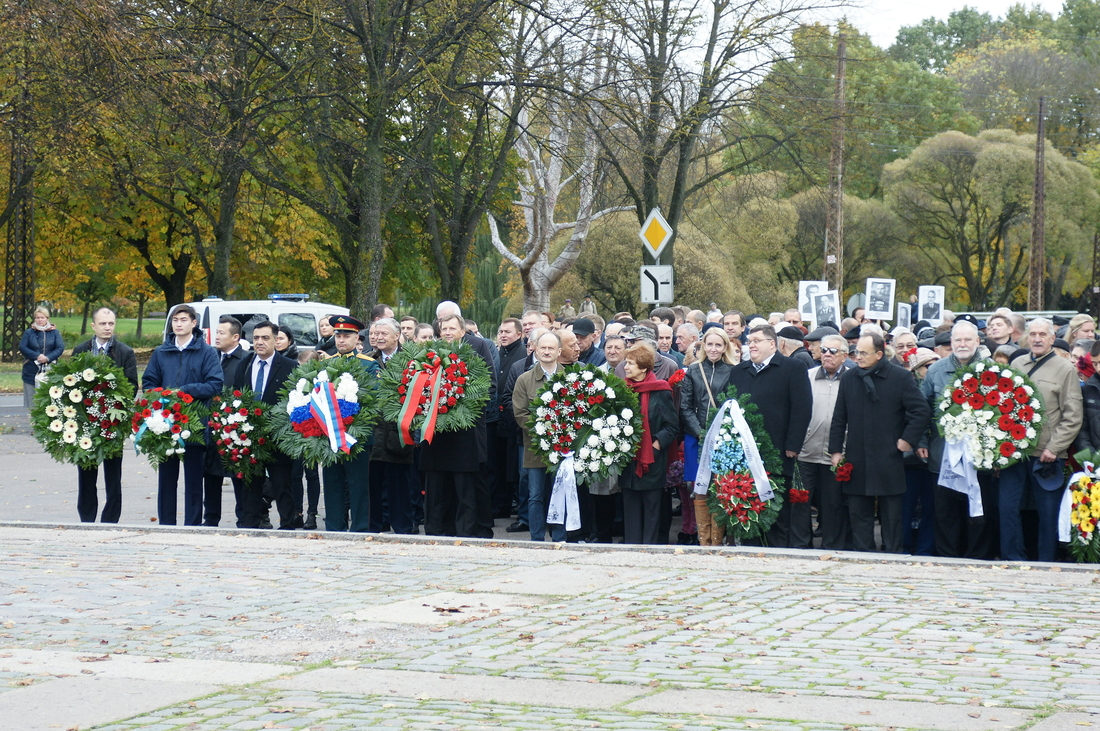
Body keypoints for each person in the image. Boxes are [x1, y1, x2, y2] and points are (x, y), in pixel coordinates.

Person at [829, 332, 930, 553]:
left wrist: (908, 440)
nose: (858, 357)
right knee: (858, 510)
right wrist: (836, 450)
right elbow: (839, 416)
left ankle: (893, 553)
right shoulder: (849, 378)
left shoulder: (900, 377)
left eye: (864, 353)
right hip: (857, 454)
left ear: (879, 354)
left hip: (888, 454)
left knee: (892, 513)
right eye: (856, 353)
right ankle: (863, 553)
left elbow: (921, 411)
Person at [1002, 318, 1082, 561]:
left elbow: (1073, 415)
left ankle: (1046, 561)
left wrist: (1055, 448)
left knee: (1047, 513)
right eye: (1033, 334)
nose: (1037, 339)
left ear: (1051, 338)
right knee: (1007, 508)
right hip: (1014, 452)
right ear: (1027, 337)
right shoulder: (1017, 364)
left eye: (1042, 335)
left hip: (1045, 455)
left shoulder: (1065, 368)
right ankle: (1012, 558)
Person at [728, 325, 813, 547]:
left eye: (757, 340)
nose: (751, 344)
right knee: (748, 513)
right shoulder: (739, 371)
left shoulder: (792, 368)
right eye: (750, 340)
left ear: (772, 344)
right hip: (744, 457)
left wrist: (793, 444)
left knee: (776, 516)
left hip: (777, 454)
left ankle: (779, 558)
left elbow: (802, 409)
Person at [918, 321, 996, 559]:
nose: (962, 344)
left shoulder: (993, 370)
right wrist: (920, 441)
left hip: (980, 458)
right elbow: (921, 409)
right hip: (943, 457)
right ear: (950, 343)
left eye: (967, 340)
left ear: (978, 342)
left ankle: (977, 557)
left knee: (978, 511)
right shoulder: (936, 371)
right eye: (958, 340)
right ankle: (947, 557)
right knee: (945, 512)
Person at [141, 304, 224, 526]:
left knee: (194, 482)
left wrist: (185, 391)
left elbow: (215, 384)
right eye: (175, 320)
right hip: (166, 426)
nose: (178, 324)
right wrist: (162, 396)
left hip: (195, 425)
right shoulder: (161, 352)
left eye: (183, 320)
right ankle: (166, 524)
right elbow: (148, 383)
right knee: (166, 480)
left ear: (194, 323)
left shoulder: (206, 352)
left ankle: (193, 524)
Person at [419, 312, 496, 538]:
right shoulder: (430, 353)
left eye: (452, 329)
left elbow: (489, 385)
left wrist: (459, 406)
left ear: (463, 331)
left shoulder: (478, 347)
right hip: (437, 431)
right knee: (437, 484)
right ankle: (437, 529)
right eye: (444, 329)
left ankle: (467, 530)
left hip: (466, 432)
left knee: (465, 486)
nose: (448, 333)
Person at [71, 307, 138, 524]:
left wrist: (109, 402)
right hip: (86, 422)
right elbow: (70, 383)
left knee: (113, 475)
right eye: (103, 324)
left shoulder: (124, 352)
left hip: (113, 422)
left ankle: (110, 519)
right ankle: (87, 518)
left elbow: (132, 386)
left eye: (111, 324)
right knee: (86, 472)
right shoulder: (81, 350)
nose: (107, 327)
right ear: (93, 325)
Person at [231, 321, 299, 529]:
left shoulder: (289, 366)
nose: (259, 342)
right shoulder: (245, 365)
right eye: (256, 338)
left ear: (276, 340)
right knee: (250, 487)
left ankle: (287, 527)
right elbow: (236, 397)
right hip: (250, 439)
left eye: (265, 338)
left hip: (278, 438)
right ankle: (250, 526)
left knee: (282, 487)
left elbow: (296, 401)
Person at [319, 315, 379, 531]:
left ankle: (361, 527)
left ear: (357, 339)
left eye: (346, 336)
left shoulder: (368, 365)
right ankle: (334, 526)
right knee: (333, 483)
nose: (341, 340)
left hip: (358, 434)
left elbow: (373, 398)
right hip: (329, 434)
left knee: (358, 485)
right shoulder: (326, 364)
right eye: (338, 336)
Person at [681, 328, 738, 546]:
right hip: (696, 437)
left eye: (718, 345)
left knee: (721, 486)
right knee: (699, 487)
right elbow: (685, 407)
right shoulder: (693, 371)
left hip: (724, 438)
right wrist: (700, 433)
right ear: (703, 346)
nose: (713, 349)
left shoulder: (734, 370)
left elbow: (735, 404)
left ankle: (718, 539)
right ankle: (704, 540)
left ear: (725, 347)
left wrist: (719, 434)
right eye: (709, 344)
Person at [512, 331, 569, 542]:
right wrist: (545, 433)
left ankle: (560, 537)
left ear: (559, 352)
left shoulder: (571, 379)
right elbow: (520, 414)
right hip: (535, 448)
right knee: (535, 495)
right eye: (542, 347)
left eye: (551, 348)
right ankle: (537, 539)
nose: (546, 351)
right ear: (535, 349)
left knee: (560, 493)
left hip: (564, 449)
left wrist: (561, 435)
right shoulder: (524, 379)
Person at [797, 333, 851, 550]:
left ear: (845, 356)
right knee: (800, 501)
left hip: (837, 454)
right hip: (806, 450)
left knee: (833, 504)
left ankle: (832, 546)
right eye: (824, 350)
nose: (827, 354)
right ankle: (800, 546)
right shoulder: (807, 376)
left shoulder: (852, 378)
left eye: (833, 351)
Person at [620, 343, 678, 544]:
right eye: (626, 362)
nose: (625, 367)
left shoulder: (660, 391)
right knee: (630, 508)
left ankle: (650, 548)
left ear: (643, 368)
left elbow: (672, 426)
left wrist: (656, 444)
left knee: (652, 508)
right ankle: (632, 546)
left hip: (652, 460)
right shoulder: (623, 390)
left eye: (630, 363)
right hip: (628, 460)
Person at [367, 318, 416, 534]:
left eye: (383, 333)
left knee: (400, 484)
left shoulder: (411, 360)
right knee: (374, 484)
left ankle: (403, 527)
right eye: (375, 333)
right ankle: (376, 526)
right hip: (372, 433)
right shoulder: (367, 360)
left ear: (397, 336)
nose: (378, 337)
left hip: (399, 432)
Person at [202, 315, 250, 527]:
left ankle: (244, 518)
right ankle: (211, 519)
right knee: (211, 477)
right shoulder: (211, 357)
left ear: (236, 337)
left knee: (239, 477)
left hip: (236, 429)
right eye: (217, 332)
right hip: (211, 427)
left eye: (222, 333)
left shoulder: (246, 359)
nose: (217, 336)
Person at [20, 306, 64, 409]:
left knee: (49, 400)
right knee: (33, 402)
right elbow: (22, 347)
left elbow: (60, 347)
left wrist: (48, 358)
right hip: (31, 369)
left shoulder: (54, 333)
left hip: (50, 370)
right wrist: (37, 356)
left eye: (42, 317)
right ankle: (34, 422)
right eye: (37, 317)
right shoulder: (29, 332)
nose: (40, 320)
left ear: (47, 318)